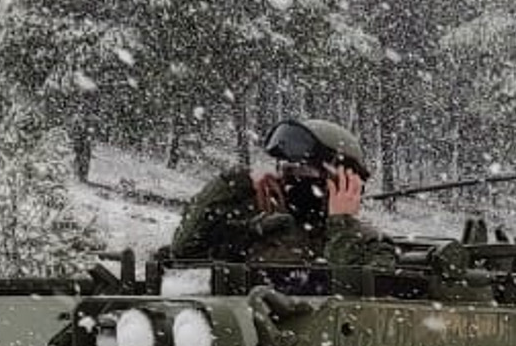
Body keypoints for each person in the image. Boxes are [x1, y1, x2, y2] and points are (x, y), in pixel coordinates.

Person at [152, 116, 397, 279]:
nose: (291, 179)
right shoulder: (264, 231)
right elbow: (184, 252)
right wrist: (233, 184)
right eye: (286, 170)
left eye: (305, 171)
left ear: (345, 182)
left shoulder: (372, 248)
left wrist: (341, 224)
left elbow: (346, 304)